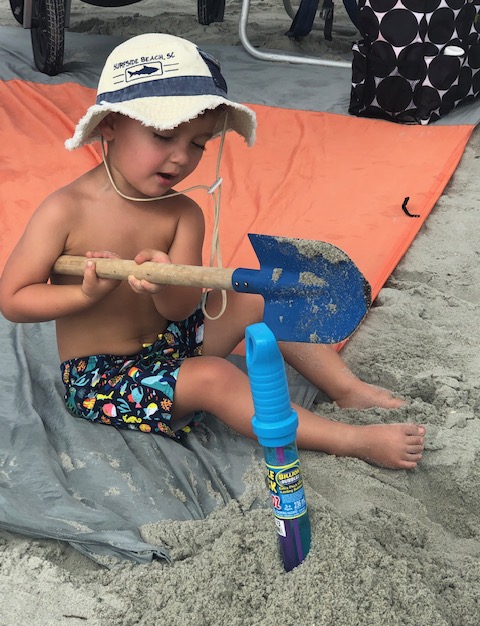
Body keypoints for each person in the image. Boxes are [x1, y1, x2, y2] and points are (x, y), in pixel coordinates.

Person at [0, 33, 425, 470]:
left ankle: (346, 389)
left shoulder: (182, 213)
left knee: (255, 296)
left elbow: (181, 309)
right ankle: (349, 439)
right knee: (215, 377)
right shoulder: (65, 210)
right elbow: (13, 298)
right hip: (103, 379)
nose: (181, 158)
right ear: (109, 124)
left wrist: (163, 284)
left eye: (198, 143)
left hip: (170, 343)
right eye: (164, 136)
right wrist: (84, 294)